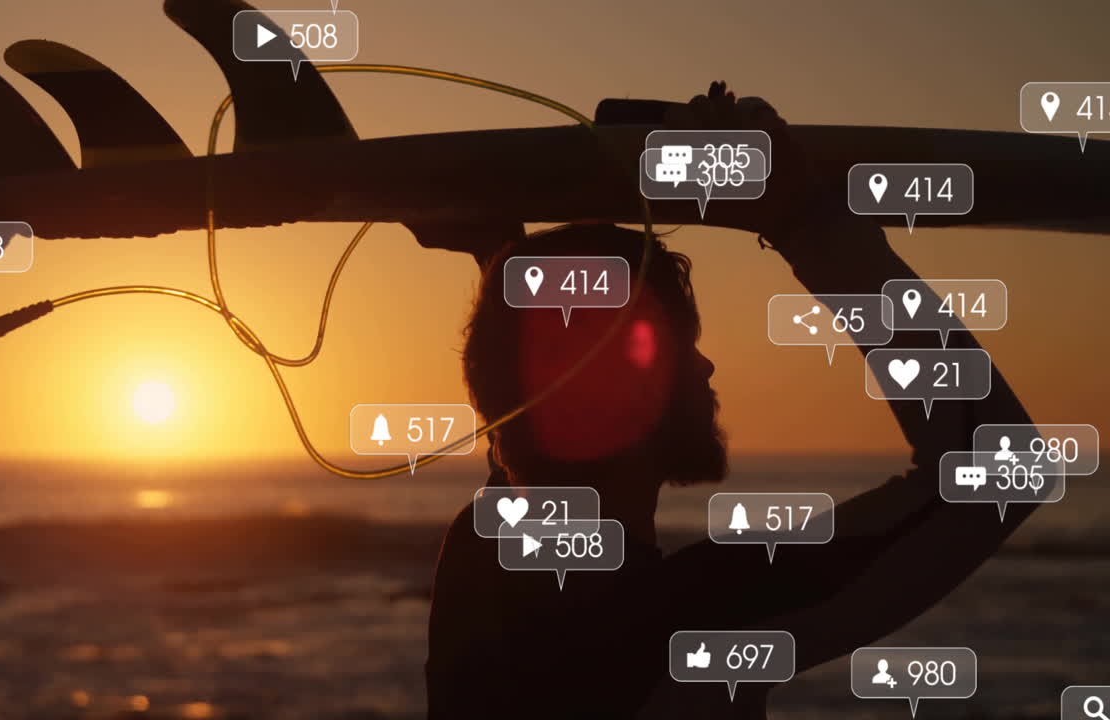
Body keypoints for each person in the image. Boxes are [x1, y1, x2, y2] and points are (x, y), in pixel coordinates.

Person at [425, 83, 1037, 719]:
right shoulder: (697, 625)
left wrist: (501, 251)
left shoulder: (477, 570)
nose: (705, 364)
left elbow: (533, 417)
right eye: (679, 346)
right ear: (617, 401)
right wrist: (800, 219)